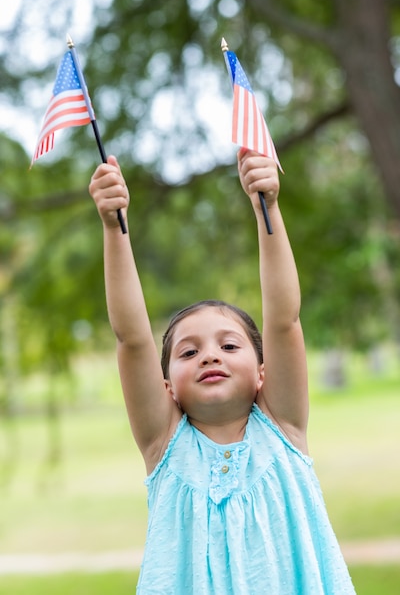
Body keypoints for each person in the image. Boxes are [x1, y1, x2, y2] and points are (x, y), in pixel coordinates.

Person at [89, 150, 356, 594]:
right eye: (188, 352)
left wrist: (266, 206)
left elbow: (284, 319)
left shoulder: (283, 427)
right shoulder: (165, 445)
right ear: (168, 386)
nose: (210, 356)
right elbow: (132, 339)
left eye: (229, 345)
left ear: (263, 372)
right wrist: (114, 227)